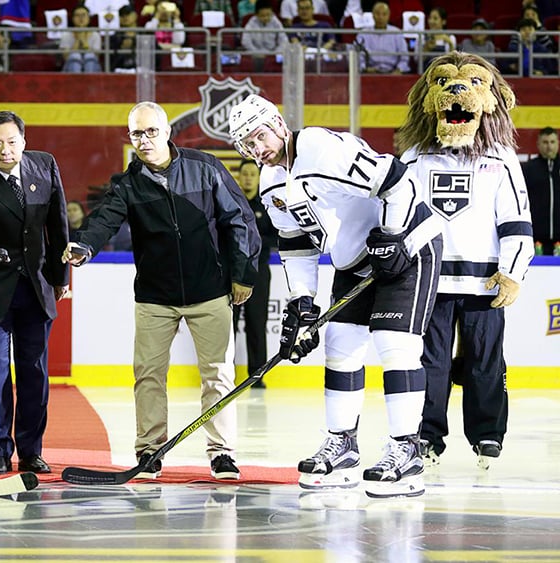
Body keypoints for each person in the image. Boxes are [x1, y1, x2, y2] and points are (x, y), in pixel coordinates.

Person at [227, 94, 442, 498]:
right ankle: (342, 446)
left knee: (395, 345)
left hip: (409, 243)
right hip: (354, 259)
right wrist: (302, 302)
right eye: (247, 145)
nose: (258, 149)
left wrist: (393, 236)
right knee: (341, 347)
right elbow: (296, 246)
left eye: (259, 137)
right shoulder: (272, 182)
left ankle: (407, 452)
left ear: (276, 122)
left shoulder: (319, 148)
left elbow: (397, 180)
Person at [64, 101, 261, 481]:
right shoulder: (127, 183)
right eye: (137, 133)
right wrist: (84, 245)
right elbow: (103, 220)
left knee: (218, 374)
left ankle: (221, 453)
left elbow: (239, 218)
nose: (144, 140)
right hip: (155, 297)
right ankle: (150, 451)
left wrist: (243, 274)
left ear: (168, 131)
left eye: (151, 131)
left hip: (210, 290)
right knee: (148, 375)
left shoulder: (205, 167)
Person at [398, 51, 534, 471]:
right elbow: (395, 214)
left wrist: (512, 272)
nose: (456, 93)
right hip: (430, 281)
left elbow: (517, 218)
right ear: (426, 98)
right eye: (443, 84)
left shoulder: (501, 158)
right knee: (430, 364)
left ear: (491, 99)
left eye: (474, 84)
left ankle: (488, 434)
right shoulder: (414, 157)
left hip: (485, 283)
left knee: (485, 362)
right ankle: (427, 435)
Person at [0, 110, 70, 475]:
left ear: (24, 141)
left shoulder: (45, 167)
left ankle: (32, 450)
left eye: (11, 142)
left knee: (34, 371)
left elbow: (58, 223)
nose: (5, 150)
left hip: (36, 287)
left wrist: (60, 274)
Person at [233, 159, 277, 389]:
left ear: (259, 178)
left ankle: (257, 375)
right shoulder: (231, 202)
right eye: (245, 173)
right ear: (239, 176)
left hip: (259, 273)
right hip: (233, 274)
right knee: (228, 323)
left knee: (257, 322)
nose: (249, 177)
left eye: (253, 173)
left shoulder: (267, 204)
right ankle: (225, 374)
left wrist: (254, 242)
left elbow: (275, 237)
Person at [523, 127, 560, 253]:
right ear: (538, 144)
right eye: (545, 142)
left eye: (552, 142)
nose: (549, 146)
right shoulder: (528, 169)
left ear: (558, 143)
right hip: (536, 240)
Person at [355, 2, 409, 74]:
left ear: (389, 16)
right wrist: (364, 68)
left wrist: (399, 69)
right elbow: (358, 56)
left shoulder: (397, 33)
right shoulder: (363, 34)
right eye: (377, 14)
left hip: (393, 72)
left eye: (384, 14)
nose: (380, 17)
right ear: (372, 15)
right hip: (370, 73)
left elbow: (404, 57)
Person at [240, 0, 286, 71]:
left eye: (268, 15)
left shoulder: (276, 22)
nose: (266, 18)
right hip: (255, 54)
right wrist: (256, 53)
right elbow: (245, 41)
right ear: (256, 15)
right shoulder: (251, 22)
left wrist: (275, 54)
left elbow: (284, 41)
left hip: (272, 54)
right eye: (262, 16)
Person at [60, 5, 102, 73]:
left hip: (92, 67)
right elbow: (66, 57)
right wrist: (78, 39)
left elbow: (96, 56)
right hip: (70, 67)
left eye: (83, 15)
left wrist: (84, 40)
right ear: (73, 18)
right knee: (74, 56)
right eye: (77, 15)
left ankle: (90, 80)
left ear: (89, 18)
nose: (81, 18)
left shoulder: (95, 35)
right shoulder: (66, 35)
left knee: (90, 56)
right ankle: (75, 81)